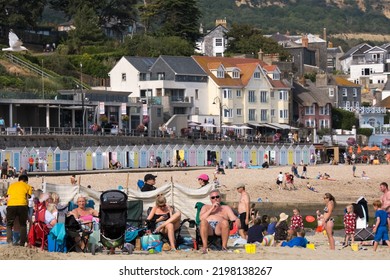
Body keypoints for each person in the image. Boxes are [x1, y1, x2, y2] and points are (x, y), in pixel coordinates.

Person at [199, 189, 239, 254]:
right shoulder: (206, 207)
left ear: (220, 198)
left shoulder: (225, 208)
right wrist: (212, 208)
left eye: (217, 197)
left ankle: (224, 247)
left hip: (219, 227)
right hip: (208, 227)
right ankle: (205, 247)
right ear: (210, 199)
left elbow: (233, 218)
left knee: (225, 222)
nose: (215, 199)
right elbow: (201, 218)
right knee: (203, 222)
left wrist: (238, 220)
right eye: (213, 197)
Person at [5, 174, 32, 246]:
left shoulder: (12, 185)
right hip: (22, 205)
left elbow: (8, 197)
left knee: (9, 225)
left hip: (11, 205)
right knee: (23, 225)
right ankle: (22, 243)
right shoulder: (27, 186)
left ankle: (9, 242)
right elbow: (27, 197)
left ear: (19, 180)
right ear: (26, 181)